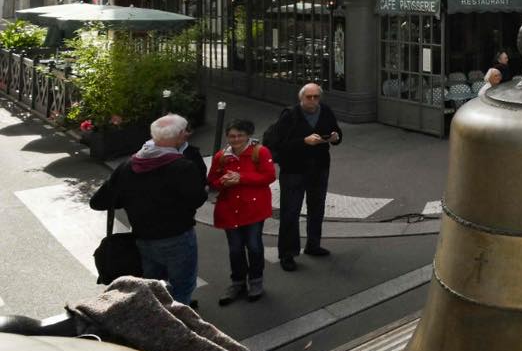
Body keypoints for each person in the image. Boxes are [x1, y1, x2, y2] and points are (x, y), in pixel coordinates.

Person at [89, 113, 208, 307]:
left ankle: (156, 318)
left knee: (152, 286)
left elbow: (98, 202)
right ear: (178, 136)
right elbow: (197, 199)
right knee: (182, 286)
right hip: (177, 238)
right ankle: (177, 324)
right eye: (185, 131)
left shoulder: (128, 165)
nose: (187, 134)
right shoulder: (183, 167)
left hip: (143, 239)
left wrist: (133, 198)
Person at [267, 82, 343, 271]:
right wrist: (304, 142)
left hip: (319, 168)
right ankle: (287, 253)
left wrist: (335, 137)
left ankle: (313, 244)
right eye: (308, 97)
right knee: (290, 212)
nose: (312, 100)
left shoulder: (325, 111)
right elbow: (279, 145)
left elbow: (337, 132)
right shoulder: (290, 116)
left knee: (317, 208)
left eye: (316, 97)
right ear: (301, 98)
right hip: (294, 170)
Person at [208, 118, 277, 305]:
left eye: (240, 135)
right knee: (235, 249)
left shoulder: (259, 152)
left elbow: (269, 176)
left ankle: (256, 281)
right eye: (232, 136)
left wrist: (241, 178)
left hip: (253, 209)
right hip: (230, 209)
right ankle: (237, 282)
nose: (236, 139)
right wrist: (223, 181)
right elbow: (212, 181)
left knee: (254, 245)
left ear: (248, 136)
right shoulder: (221, 156)